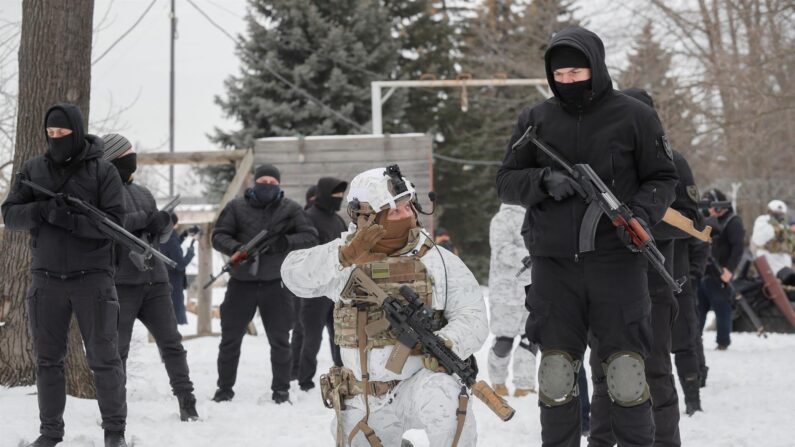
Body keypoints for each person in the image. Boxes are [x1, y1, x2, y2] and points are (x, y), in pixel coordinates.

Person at [497, 27, 678, 446]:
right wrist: (543, 180)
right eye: (560, 76)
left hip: (617, 263)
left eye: (577, 73)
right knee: (557, 374)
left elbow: (662, 177)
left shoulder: (635, 116)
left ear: (595, 67)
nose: (569, 83)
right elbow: (505, 180)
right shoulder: (535, 120)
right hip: (554, 268)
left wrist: (641, 217)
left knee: (626, 375)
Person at [281, 166, 488, 446]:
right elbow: (293, 276)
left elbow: (473, 315)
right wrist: (342, 256)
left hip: (418, 387)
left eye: (408, 206)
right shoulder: (344, 257)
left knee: (447, 397)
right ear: (366, 216)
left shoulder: (437, 260)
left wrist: (446, 343)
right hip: (361, 396)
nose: (405, 214)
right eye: (394, 211)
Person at [2, 104, 128, 447]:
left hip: (94, 279)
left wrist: (72, 221)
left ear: (76, 130)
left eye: (62, 134)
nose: (55, 139)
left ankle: (114, 431)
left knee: (104, 359)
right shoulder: (33, 170)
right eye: (50, 134)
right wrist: (43, 210)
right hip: (46, 280)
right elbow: (10, 214)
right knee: (47, 362)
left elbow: (116, 225)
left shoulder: (103, 172)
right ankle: (50, 432)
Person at [589, 88, 702, 446]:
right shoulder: (600, 160)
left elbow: (693, 224)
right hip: (604, 287)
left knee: (654, 374)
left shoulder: (673, 162)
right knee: (604, 377)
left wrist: (640, 220)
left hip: (653, 284)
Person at [102, 133, 199, 423]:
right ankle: (114, 410)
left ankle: (187, 400)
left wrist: (163, 223)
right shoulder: (101, 192)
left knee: (172, 343)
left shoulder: (143, 192)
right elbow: (110, 226)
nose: (133, 157)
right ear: (114, 157)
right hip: (121, 284)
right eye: (128, 152)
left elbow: (159, 232)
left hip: (155, 281)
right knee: (117, 351)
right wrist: (146, 218)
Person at [211, 164, 318, 404]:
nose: (267, 186)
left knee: (280, 340)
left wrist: (284, 242)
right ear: (254, 182)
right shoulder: (236, 207)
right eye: (263, 181)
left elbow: (311, 236)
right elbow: (218, 235)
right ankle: (224, 389)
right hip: (241, 283)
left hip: (276, 284)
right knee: (230, 340)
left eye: (272, 182)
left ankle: (281, 391)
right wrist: (237, 248)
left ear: (278, 185)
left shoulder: (290, 209)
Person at [294, 177, 348, 391]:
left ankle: (343, 374)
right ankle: (305, 381)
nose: (339, 200)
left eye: (341, 196)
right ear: (324, 194)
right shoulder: (307, 218)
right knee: (311, 338)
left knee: (340, 337)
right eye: (335, 196)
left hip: (336, 289)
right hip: (315, 291)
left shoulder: (338, 220)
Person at [487, 203, 537, 397]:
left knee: (530, 337)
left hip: (532, 288)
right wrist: (525, 256)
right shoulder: (502, 218)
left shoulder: (536, 215)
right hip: (506, 291)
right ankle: (498, 383)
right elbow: (501, 249)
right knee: (504, 340)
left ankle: (524, 386)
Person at [698, 189, 745, 350]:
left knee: (721, 306)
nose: (710, 210)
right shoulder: (708, 220)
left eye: (712, 206)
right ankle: (694, 338)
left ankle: (723, 341)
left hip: (721, 272)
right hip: (703, 270)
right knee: (698, 307)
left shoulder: (733, 221)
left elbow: (738, 248)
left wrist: (729, 270)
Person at [160, 213, 196, 325]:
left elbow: (172, 247)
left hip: (166, 277)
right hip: (174, 281)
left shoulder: (162, 235)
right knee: (175, 314)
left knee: (168, 312)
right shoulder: (171, 239)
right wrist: (190, 253)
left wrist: (185, 235)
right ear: (173, 224)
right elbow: (180, 264)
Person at [751, 200, 795, 285]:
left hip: (784, 263)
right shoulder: (763, 221)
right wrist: (778, 230)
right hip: (769, 260)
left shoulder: (784, 226)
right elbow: (759, 239)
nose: (779, 216)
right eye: (776, 213)